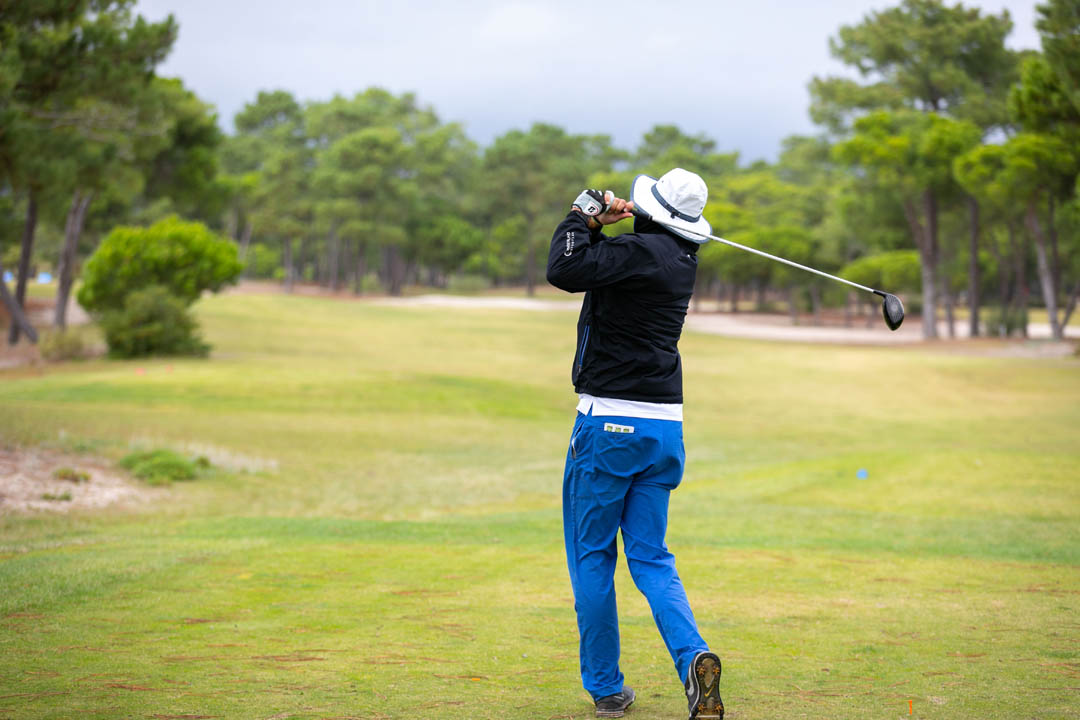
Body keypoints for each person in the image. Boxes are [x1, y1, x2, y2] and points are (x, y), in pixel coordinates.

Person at [545, 168, 724, 720]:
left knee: (593, 557)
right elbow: (599, 265)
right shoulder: (680, 260)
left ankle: (606, 688)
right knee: (651, 557)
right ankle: (693, 657)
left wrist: (582, 213)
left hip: (609, 427)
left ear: (651, 211)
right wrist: (602, 226)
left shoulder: (639, 253)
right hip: (663, 429)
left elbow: (563, 269)